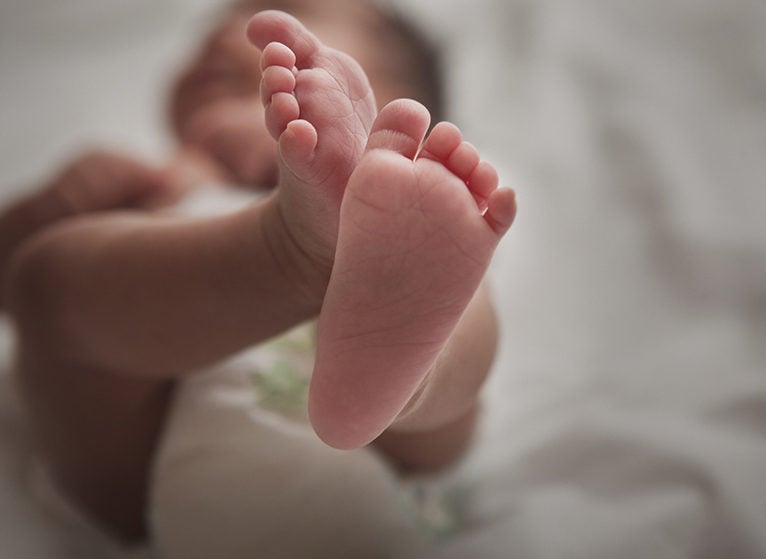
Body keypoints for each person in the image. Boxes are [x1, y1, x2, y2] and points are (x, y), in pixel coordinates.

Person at [0, 3, 516, 545]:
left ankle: (410, 383)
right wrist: (58, 206)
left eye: (292, 6)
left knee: (458, 304)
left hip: (389, 457)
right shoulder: (150, 182)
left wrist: (343, 172)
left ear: (393, 93)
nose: (224, 31)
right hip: (151, 450)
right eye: (213, 25)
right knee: (49, 276)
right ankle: (294, 254)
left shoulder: (411, 211)